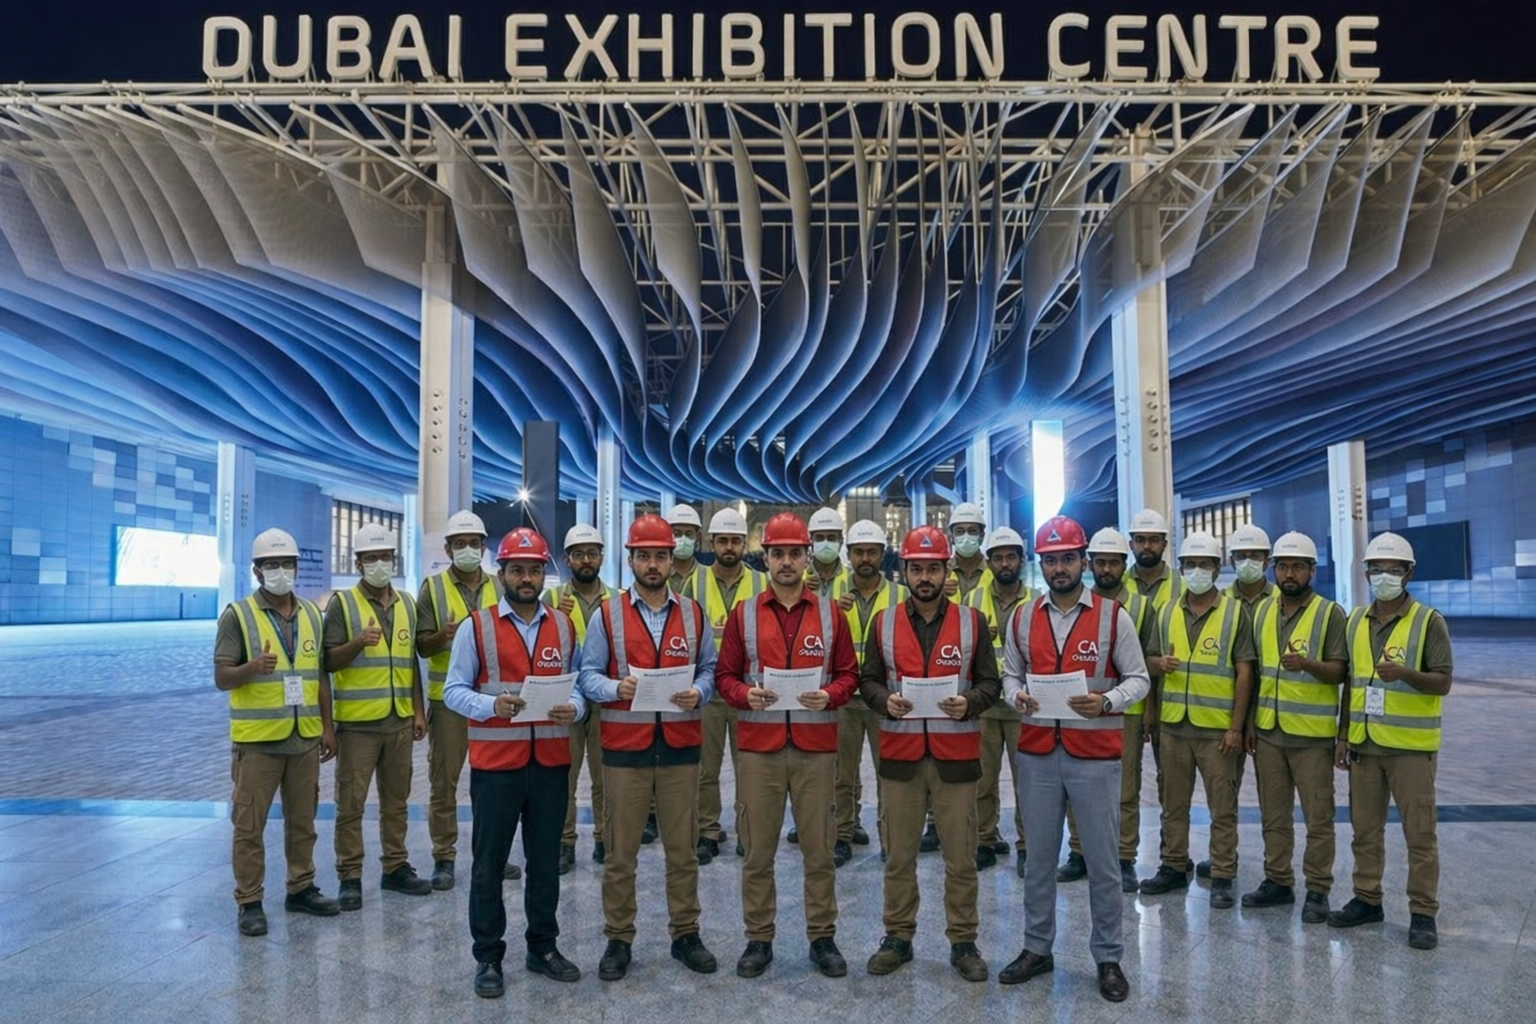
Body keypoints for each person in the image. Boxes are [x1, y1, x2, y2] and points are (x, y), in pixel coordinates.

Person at [998, 516, 1149, 1004]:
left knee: (1103, 863)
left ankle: (1108, 957)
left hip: (1094, 756)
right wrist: (1015, 696)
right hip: (1039, 755)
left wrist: (1107, 703)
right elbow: (1010, 676)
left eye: (1067, 558)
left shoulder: (1112, 616)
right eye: (1051, 559)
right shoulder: (1021, 617)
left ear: (1082, 561)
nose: (1059, 567)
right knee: (1038, 860)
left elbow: (1140, 679)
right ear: (1040, 565)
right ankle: (1037, 948)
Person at [715, 512, 859, 979]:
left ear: (805, 558)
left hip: (815, 748)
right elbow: (724, 676)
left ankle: (823, 937)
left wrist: (832, 695)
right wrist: (744, 695)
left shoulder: (830, 612)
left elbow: (849, 674)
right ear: (766, 557)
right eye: (777, 553)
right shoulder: (744, 614)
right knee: (758, 852)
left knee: (819, 849)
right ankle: (759, 938)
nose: (786, 562)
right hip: (760, 748)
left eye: (795, 553)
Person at [577, 514, 720, 981]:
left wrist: (699, 692)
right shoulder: (607, 615)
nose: (653, 564)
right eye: (645, 556)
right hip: (625, 750)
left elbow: (709, 670)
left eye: (661, 555)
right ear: (631, 559)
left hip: (679, 747)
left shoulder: (693, 614)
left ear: (673, 558)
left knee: (683, 851)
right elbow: (587, 675)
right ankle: (619, 938)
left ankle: (686, 933)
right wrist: (614, 689)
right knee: (621, 854)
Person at [443, 528, 585, 996]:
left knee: (545, 863)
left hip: (549, 763)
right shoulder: (476, 627)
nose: (527, 578)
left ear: (545, 572)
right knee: (488, 865)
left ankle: (543, 946)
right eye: (518, 569)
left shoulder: (563, 627)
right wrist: (491, 706)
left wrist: (576, 708)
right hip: (496, 766)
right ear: (500, 573)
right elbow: (453, 691)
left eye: (535, 569)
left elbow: (579, 686)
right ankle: (488, 957)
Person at [859, 525, 1000, 982]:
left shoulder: (971, 622)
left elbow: (990, 683)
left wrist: (971, 703)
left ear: (946, 571)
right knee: (898, 856)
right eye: (917, 568)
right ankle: (898, 937)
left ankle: (963, 941)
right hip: (900, 757)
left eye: (933, 568)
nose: (925, 576)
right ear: (903, 571)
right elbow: (868, 681)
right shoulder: (882, 622)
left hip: (955, 759)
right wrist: (884, 702)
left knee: (960, 858)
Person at [1329, 532, 1453, 950]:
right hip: (1365, 746)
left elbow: (1443, 682)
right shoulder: (1355, 620)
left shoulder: (1427, 620)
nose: (1384, 576)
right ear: (1366, 573)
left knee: (1420, 834)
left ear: (1409, 573)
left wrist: (1407, 675)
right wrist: (1344, 735)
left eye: (1393, 570)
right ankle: (1367, 898)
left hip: (1410, 750)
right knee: (1364, 831)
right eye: (1377, 569)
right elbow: (1351, 682)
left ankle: (1423, 912)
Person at [213, 527, 340, 936]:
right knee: (249, 825)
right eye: (272, 565)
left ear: (297, 568)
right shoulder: (238, 615)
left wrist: (327, 726)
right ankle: (249, 900)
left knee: (303, 821)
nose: (281, 571)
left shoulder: (311, 615)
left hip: (303, 738)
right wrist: (251, 669)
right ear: (257, 570)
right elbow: (221, 677)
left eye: (287, 564)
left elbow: (318, 675)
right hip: (258, 744)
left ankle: (300, 887)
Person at [1139, 530, 1255, 909]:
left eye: (1205, 564)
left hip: (1217, 730)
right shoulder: (1168, 610)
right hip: (1173, 726)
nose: (1197, 571)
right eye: (1191, 564)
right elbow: (1150, 663)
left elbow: (1244, 673)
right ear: (1181, 567)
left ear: (1218, 568)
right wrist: (1157, 676)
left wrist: (1236, 727)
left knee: (1222, 807)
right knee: (1172, 803)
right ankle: (1173, 865)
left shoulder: (1236, 613)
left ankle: (1223, 871)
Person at [325, 523, 432, 909]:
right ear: (358, 563)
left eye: (385, 557)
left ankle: (395, 866)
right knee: (351, 804)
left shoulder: (405, 603)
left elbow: (409, 663)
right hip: (357, 725)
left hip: (400, 721)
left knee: (396, 800)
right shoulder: (342, 604)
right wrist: (357, 643)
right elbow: (328, 661)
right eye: (371, 558)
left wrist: (418, 712)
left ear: (394, 559)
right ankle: (349, 875)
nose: (379, 564)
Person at [1243, 531, 1348, 922]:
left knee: (1318, 816)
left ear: (1311, 571)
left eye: (1298, 567)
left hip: (1311, 736)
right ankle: (1278, 880)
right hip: (1269, 732)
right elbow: (1255, 674)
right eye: (1283, 566)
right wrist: (1253, 720)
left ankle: (1318, 888)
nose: (1290, 573)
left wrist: (1308, 665)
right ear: (1273, 570)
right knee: (1274, 813)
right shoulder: (1263, 612)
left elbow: (1340, 671)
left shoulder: (1329, 613)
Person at [1068, 527, 1163, 893]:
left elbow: (1148, 667)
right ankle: (1078, 852)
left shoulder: (1140, 606)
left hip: (1128, 711)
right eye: (1101, 562)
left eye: (1114, 562)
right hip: (1081, 709)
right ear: (1090, 564)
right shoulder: (1075, 602)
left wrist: (1150, 712)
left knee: (1126, 788)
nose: (1106, 569)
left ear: (1126, 564)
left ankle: (1124, 857)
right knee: (1075, 783)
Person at [415, 510, 502, 891]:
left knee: (494, 784)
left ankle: (492, 855)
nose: (468, 549)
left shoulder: (500, 586)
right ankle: (444, 857)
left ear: (484, 547)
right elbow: (421, 645)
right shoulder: (432, 589)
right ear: (448, 549)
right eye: (460, 543)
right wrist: (443, 635)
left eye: (474, 543)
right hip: (448, 702)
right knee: (443, 783)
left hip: (492, 703)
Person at [684, 507, 766, 864]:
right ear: (711, 543)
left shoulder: (762, 583)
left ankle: (750, 831)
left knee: (750, 767)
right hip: (708, 689)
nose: (730, 547)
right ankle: (707, 830)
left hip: (750, 690)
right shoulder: (694, 583)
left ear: (744, 543)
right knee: (706, 767)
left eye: (735, 540)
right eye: (723, 541)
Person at [833, 520, 906, 865]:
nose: (865, 557)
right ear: (848, 555)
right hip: (844, 698)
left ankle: (890, 838)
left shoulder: (901, 596)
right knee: (840, 773)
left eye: (872, 552)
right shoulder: (829, 595)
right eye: (859, 551)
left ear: (882, 555)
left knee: (889, 773)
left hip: (885, 698)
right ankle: (842, 834)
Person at [544, 524, 615, 872]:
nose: (585, 560)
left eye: (592, 553)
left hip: (604, 701)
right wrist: (556, 614)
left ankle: (605, 837)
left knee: (606, 776)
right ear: (567, 559)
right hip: (565, 702)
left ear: (601, 557)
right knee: (564, 777)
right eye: (578, 554)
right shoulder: (549, 601)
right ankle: (564, 841)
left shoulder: (617, 600)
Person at [962, 527, 1032, 875]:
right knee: (982, 780)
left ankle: (1027, 846)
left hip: (1023, 707)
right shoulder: (972, 601)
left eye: (1011, 557)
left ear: (1021, 560)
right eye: (999, 558)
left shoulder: (1036, 601)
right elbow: (955, 651)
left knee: (1028, 783)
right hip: (984, 705)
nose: (1005, 563)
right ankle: (984, 841)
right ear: (989, 562)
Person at [804, 507, 850, 594]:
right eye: (820, 538)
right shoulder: (799, 581)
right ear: (811, 542)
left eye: (831, 538)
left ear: (841, 541)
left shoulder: (853, 580)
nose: (825, 543)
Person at [666, 503, 703, 594]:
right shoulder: (659, 573)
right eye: (677, 534)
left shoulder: (708, 575)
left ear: (698, 536)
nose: (683, 539)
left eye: (688, 534)